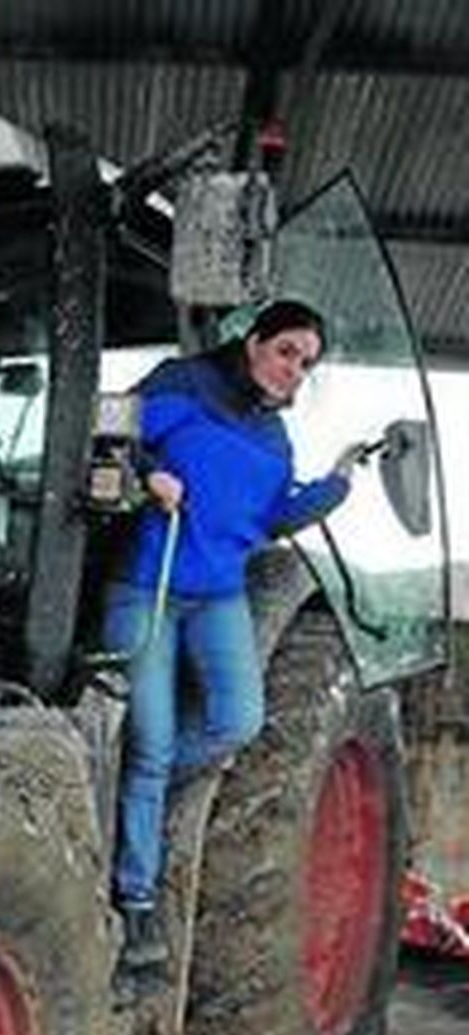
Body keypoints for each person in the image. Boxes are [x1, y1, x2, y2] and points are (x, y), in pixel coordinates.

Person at [104, 299, 366, 973]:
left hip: (218, 595)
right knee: (153, 741)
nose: (294, 371)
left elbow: (274, 516)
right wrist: (145, 472)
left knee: (237, 719)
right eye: (287, 353)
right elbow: (111, 433)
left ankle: (139, 792)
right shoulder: (182, 384)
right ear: (253, 342)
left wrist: (337, 481)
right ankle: (134, 899)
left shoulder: (275, 439)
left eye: (306, 364)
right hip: (148, 587)